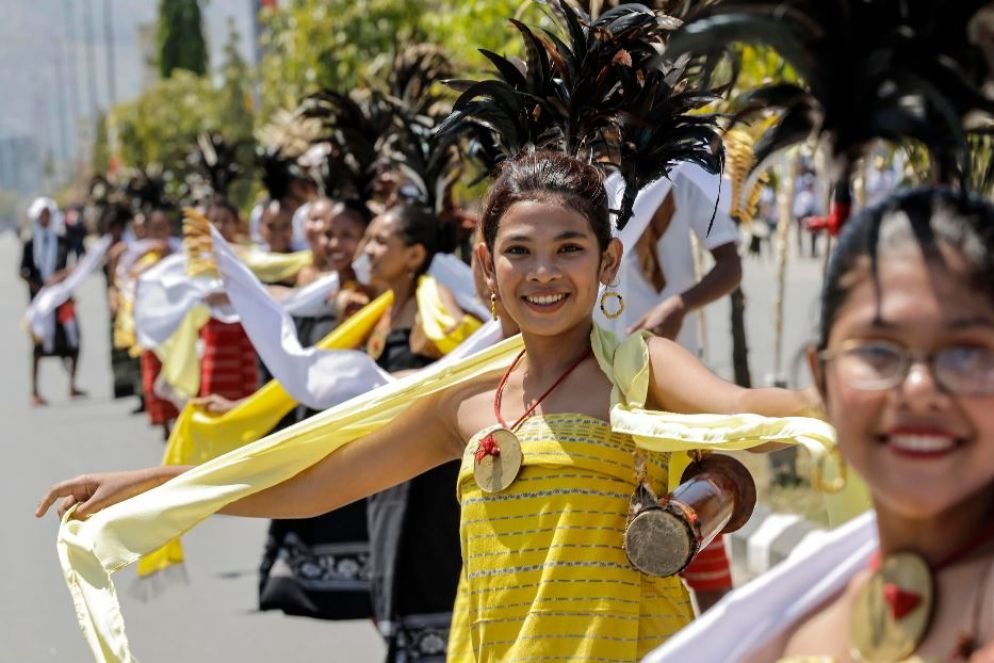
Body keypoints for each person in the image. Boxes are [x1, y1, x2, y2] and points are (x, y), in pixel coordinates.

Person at [39, 152, 829, 661]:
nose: (543, 272)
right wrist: (159, 486)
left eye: (569, 250)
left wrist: (856, 394)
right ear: (487, 265)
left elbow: (745, 408)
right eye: (519, 250)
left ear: (608, 260)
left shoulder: (643, 368)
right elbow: (316, 481)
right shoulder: (464, 400)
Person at [644, 188, 994, 662]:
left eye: (966, 353)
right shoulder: (795, 634)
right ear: (821, 378)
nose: (918, 388)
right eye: (877, 350)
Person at [20, 197, 85, 406]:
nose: (45, 219)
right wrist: (41, 288)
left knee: (73, 340)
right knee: (38, 346)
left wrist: (61, 280)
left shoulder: (62, 241)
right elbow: (23, 271)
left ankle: (72, 385)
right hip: (40, 303)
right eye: (41, 216)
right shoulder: (30, 244)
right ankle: (34, 392)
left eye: (48, 215)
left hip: (61, 300)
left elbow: (74, 263)